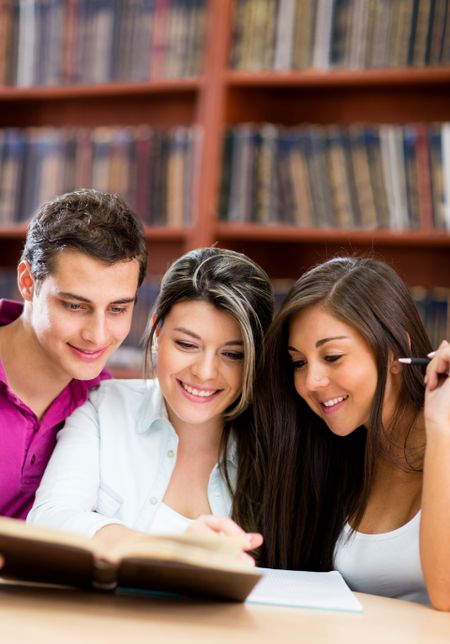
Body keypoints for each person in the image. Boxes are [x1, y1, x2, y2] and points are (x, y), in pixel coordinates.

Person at [28, 247, 274, 559]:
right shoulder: (103, 409)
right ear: (157, 332)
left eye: (233, 354)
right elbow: (49, 518)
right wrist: (170, 550)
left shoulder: (275, 443)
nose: (205, 372)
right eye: (186, 344)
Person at [254, 256, 450, 609]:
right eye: (299, 363)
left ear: (395, 352)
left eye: (332, 357)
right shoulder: (334, 452)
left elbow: (447, 594)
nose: (311, 382)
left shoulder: (444, 435)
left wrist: (442, 426)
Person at [0, 188, 148, 520]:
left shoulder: (103, 401)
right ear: (28, 282)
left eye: (117, 309)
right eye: (75, 306)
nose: (97, 336)